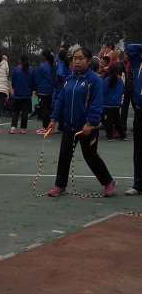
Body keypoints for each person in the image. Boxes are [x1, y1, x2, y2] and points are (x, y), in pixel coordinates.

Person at [47, 47, 116, 198]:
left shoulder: (94, 80)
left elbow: (96, 104)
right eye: (74, 58)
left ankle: (108, 181)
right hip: (69, 126)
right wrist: (53, 118)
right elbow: (61, 101)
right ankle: (60, 185)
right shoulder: (69, 79)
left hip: (87, 127)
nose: (77, 61)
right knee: (64, 154)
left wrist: (89, 123)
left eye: (80, 58)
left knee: (90, 156)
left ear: (88, 60)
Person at [124, 43, 142, 195]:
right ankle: (139, 184)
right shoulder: (138, 62)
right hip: (140, 112)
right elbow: (130, 48)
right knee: (139, 149)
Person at [8, 54, 35, 134]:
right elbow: (33, 82)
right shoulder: (31, 70)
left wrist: (15, 89)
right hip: (27, 94)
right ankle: (23, 128)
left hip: (18, 94)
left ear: (20, 60)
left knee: (16, 111)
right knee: (25, 112)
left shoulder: (16, 70)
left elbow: (13, 82)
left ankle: (13, 128)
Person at [34, 49, 56, 134]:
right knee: (48, 108)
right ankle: (49, 126)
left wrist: (35, 88)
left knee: (44, 109)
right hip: (50, 90)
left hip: (42, 91)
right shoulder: (52, 66)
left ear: (44, 56)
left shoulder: (42, 66)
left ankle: (45, 127)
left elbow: (37, 78)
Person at [102, 63, 125, 141]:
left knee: (108, 120)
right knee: (117, 120)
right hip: (117, 103)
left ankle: (109, 136)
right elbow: (123, 91)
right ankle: (123, 135)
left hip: (107, 104)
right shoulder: (120, 80)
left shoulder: (107, 80)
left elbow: (103, 91)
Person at [121, 49, 135, 139]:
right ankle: (122, 128)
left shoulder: (135, 63)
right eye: (125, 54)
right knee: (124, 110)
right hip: (124, 90)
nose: (127, 56)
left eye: (128, 54)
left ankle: (136, 127)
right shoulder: (120, 64)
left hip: (134, 90)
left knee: (137, 109)